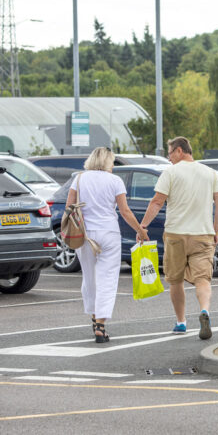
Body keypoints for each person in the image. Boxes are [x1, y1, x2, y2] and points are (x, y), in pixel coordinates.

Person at [140, 137, 218, 340]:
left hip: (175, 234)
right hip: (203, 234)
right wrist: (216, 230)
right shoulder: (210, 173)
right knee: (203, 279)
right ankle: (205, 310)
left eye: (170, 153)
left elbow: (157, 201)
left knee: (175, 280)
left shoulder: (170, 172)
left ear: (179, 151)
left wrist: (143, 226)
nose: (169, 158)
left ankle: (180, 322)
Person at [66, 147, 148, 343]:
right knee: (107, 279)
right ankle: (101, 325)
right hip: (109, 233)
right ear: (107, 162)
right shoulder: (115, 181)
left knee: (90, 278)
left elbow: (69, 206)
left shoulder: (79, 178)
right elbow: (125, 211)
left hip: (85, 234)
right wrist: (140, 230)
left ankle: (95, 319)